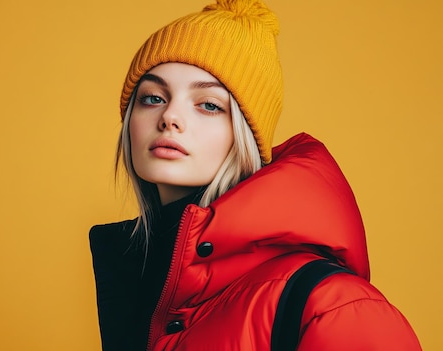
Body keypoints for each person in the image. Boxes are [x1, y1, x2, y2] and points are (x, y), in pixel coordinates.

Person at [89, 0, 422, 350]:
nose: (170, 116)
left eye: (209, 105)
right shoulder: (139, 285)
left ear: (247, 134)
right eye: (153, 98)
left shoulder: (331, 305)